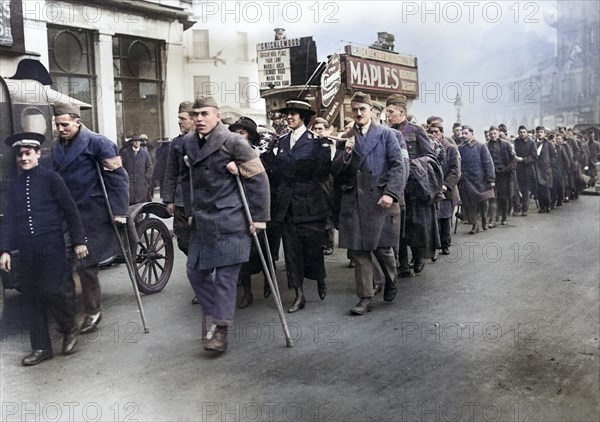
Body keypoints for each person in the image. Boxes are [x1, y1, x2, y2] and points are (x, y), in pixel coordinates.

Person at [180, 96, 270, 353]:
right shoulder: (188, 142)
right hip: (202, 221)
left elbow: (259, 178)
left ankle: (220, 329)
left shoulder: (234, 142)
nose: (199, 119)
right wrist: (189, 209)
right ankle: (213, 316)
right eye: (195, 114)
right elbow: (185, 180)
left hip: (231, 219)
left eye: (204, 114)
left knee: (225, 278)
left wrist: (259, 218)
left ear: (217, 116)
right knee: (195, 273)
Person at [1, 132, 89, 365]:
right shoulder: (15, 186)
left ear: (38, 154)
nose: (23, 158)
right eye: (20, 155)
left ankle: (69, 325)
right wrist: (5, 250)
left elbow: (70, 211)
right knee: (31, 297)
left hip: (52, 246)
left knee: (51, 290)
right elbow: (9, 220)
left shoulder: (52, 179)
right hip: (27, 250)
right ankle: (41, 348)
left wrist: (79, 240)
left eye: (28, 153)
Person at [50, 102, 129, 334]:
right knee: (64, 260)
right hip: (66, 212)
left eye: (65, 124)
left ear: (78, 122)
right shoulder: (56, 147)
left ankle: (93, 311)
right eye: (57, 125)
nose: (60, 129)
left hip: (92, 212)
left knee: (86, 265)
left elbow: (118, 179)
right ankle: (70, 308)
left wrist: (120, 211)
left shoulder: (98, 142)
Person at [331, 91, 404, 315]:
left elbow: (398, 166)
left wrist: (391, 193)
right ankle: (365, 296)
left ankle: (390, 280)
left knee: (382, 250)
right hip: (354, 201)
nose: (359, 113)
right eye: (355, 110)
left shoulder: (387, 135)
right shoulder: (346, 136)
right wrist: (346, 153)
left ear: (371, 111)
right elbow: (335, 170)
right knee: (359, 251)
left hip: (379, 200)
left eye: (363, 109)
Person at [263, 98, 331, 313]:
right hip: (287, 206)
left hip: (310, 203)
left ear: (303, 118)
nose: (289, 117)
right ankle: (298, 294)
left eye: (293, 114)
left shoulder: (315, 141)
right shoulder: (281, 142)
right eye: (288, 113)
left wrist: (325, 148)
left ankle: (319, 279)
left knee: (313, 248)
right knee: (291, 252)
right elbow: (273, 170)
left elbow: (322, 173)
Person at [386, 93, 439, 276]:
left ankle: (418, 258)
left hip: (415, 187)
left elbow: (431, 157)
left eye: (391, 112)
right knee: (398, 226)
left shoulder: (417, 131)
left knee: (415, 225)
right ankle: (402, 264)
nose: (388, 116)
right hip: (396, 186)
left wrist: (414, 163)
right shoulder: (387, 132)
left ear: (401, 112)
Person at [227, 116, 272, 309]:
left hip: (256, 207)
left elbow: (262, 182)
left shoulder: (257, 154)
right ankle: (247, 292)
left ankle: (269, 279)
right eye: (235, 133)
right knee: (241, 254)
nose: (238, 136)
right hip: (237, 207)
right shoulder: (229, 156)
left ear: (250, 136)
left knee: (261, 248)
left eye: (242, 133)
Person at [162, 101, 198, 302]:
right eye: (179, 119)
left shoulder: (204, 140)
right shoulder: (176, 143)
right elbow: (171, 172)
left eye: (183, 119)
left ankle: (203, 286)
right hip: (182, 201)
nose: (180, 123)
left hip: (202, 201)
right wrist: (168, 198)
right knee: (184, 242)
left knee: (202, 243)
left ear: (194, 119)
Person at [428, 122, 461, 255]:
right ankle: (434, 246)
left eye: (436, 132)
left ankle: (445, 244)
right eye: (431, 132)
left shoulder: (451, 148)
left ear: (441, 132)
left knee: (445, 217)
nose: (434, 135)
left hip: (446, 189)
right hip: (431, 189)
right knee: (433, 218)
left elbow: (456, 170)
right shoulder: (427, 148)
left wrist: (446, 185)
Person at [457, 125, 495, 234]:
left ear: (472, 134)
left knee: (483, 201)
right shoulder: (460, 148)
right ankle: (475, 225)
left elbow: (488, 163)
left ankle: (484, 219)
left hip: (480, 179)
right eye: (462, 133)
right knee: (469, 204)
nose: (463, 136)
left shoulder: (481, 146)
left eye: (466, 133)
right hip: (466, 180)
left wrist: (491, 179)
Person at [486, 126, 516, 226]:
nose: (493, 136)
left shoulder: (506, 144)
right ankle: (493, 220)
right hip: (492, 175)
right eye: (491, 134)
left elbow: (513, 160)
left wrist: (506, 169)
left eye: (495, 133)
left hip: (504, 175)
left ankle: (504, 216)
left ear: (498, 133)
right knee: (492, 196)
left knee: (504, 197)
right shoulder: (486, 146)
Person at [121, 134, 154, 205]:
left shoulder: (145, 153)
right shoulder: (125, 153)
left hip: (141, 184)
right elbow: (121, 167)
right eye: (135, 141)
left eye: (138, 141)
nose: (137, 142)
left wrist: (146, 178)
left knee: (141, 204)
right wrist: (124, 178)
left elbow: (149, 167)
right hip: (129, 183)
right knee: (130, 204)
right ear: (132, 142)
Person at [513, 126, 537, 216]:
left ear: (527, 133)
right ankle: (517, 208)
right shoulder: (515, 142)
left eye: (524, 132)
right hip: (517, 169)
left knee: (526, 190)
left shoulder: (531, 143)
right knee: (516, 189)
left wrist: (523, 159)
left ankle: (525, 209)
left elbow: (534, 156)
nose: (522, 134)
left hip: (527, 169)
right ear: (518, 133)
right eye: (520, 132)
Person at [534, 126, 556, 213]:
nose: (540, 134)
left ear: (544, 133)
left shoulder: (549, 144)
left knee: (546, 189)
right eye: (538, 132)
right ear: (536, 133)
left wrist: (550, 164)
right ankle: (542, 207)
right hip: (537, 169)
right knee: (539, 190)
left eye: (541, 132)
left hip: (546, 169)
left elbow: (554, 155)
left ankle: (548, 205)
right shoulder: (533, 144)